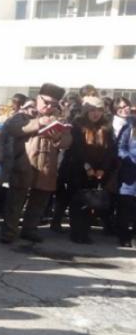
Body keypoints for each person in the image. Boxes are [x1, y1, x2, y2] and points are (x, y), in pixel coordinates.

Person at [1, 83, 73, 244]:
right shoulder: (24, 114)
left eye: (53, 104)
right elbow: (13, 128)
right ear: (38, 98)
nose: (48, 106)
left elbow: (67, 141)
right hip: (25, 163)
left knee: (39, 202)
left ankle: (29, 230)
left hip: (47, 166)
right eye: (46, 102)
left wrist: (58, 138)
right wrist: (39, 123)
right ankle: (9, 232)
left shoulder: (60, 119)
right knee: (15, 201)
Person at [65, 97, 116, 244]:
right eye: (92, 110)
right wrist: (87, 167)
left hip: (98, 171)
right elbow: (76, 150)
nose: (96, 114)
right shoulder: (78, 126)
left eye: (99, 110)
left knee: (91, 202)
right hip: (79, 169)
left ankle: (85, 232)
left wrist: (102, 169)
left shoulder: (106, 128)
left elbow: (110, 150)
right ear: (86, 111)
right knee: (77, 202)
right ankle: (76, 232)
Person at [0, 93, 28, 224]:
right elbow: (2, 137)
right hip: (7, 157)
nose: (16, 106)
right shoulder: (10, 117)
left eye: (19, 103)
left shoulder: (30, 120)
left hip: (23, 159)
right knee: (0, 185)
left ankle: (10, 214)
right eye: (15, 103)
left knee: (16, 188)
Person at [117, 114, 136, 247]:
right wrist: (130, 159)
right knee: (125, 207)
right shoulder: (129, 127)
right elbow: (120, 148)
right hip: (129, 174)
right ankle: (124, 236)